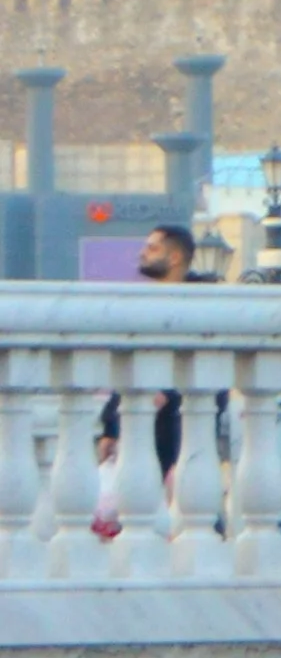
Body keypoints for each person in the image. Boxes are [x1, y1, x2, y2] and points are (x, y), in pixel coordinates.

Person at [91, 224, 204, 539]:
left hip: (175, 421)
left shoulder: (200, 305)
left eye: (153, 247)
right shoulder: (145, 302)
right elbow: (130, 367)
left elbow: (205, 368)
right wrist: (110, 428)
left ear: (176, 256)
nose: (143, 253)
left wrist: (166, 391)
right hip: (141, 419)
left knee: (173, 506)